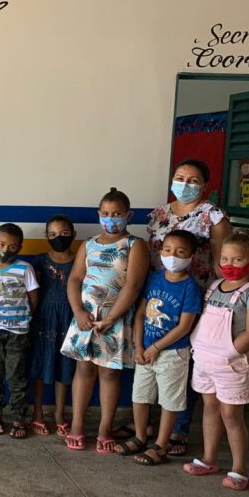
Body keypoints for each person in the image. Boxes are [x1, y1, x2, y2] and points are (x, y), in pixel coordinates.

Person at [146, 158, 231, 455]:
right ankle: (151, 424)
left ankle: (179, 430)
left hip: (193, 297)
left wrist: (223, 298)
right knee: (154, 357)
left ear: (205, 184)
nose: (185, 184)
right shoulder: (159, 214)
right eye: (180, 178)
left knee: (183, 360)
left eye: (193, 180)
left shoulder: (213, 216)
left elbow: (221, 261)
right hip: (158, 294)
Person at [61, 188, 149, 452]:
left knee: (110, 373)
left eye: (117, 214)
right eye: (106, 213)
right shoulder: (88, 245)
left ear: (129, 216)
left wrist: (111, 318)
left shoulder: (135, 245)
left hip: (115, 319)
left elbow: (133, 285)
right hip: (86, 318)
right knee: (84, 369)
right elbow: (75, 279)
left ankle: (104, 428)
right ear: (99, 214)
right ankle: (77, 425)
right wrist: (78, 311)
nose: (111, 219)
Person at [184, 229, 249, 491]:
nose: (229, 264)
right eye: (225, 258)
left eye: (237, 259)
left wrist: (230, 353)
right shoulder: (213, 287)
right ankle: (209, 459)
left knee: (231, 415)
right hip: (205, 362)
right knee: (209, 408)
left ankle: (239, 468)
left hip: (232, 365)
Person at [121, 230, 202, 464]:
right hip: (145, 351)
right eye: (167, 250)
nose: (172, 256)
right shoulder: (154, 278)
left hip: (172, 352)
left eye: (180, 252)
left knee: (169, 401)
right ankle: (140, 436)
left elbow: (184, 326)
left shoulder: (191, 287)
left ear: (192, 256)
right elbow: (140, 314)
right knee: (140, 395)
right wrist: (138, 347)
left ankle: (161, 445)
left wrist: (156, 347)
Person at [0, 223, 39, 439]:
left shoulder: (25, 269)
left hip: (18, 333)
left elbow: (33, 297)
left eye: (12, 247)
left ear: (20, 248)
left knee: (16, 376)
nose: (5, 250)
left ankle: (18, 418)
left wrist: (24, 318)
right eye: (1, 244)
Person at [28, 215, 77, 436]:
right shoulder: (39, 261)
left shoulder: (80, 261)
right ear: (46, 236)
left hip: (70, 319)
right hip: (43, 319)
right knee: (40, 365)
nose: (59, 238)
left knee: (65, 366)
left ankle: (59, 414)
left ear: (74, 235)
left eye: (64, 234)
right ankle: (37, 412)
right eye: (53, 234)